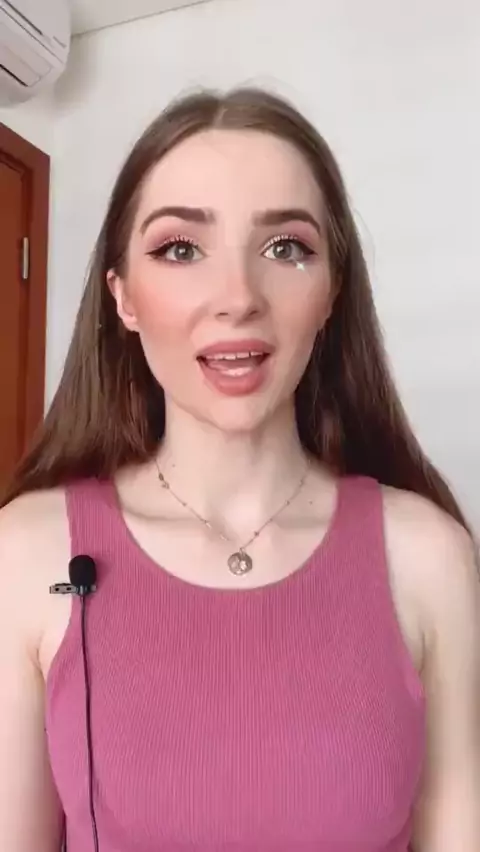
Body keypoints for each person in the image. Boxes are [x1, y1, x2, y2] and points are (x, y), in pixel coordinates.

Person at [0, 87, 479, 852]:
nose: (238, 299)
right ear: (123, 297)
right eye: (180, 249)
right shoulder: (27, 554)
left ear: (331, 293)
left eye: (285, 247)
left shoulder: (429, 557)